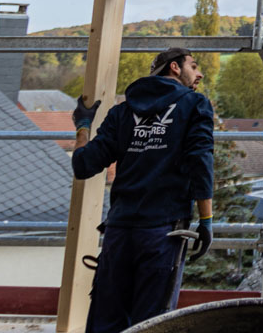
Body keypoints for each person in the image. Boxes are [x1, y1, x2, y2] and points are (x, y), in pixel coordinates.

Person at [69, 48, 217, 333]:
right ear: (174, 67)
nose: (199, 74)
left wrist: (83, 125)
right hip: (163, 233)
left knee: (106, 320)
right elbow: (201, 160)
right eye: (194, 66)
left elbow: (83, 164)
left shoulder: (123, 112)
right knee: (151, 324)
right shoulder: (195, 105)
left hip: (119, 233)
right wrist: (207, 221)